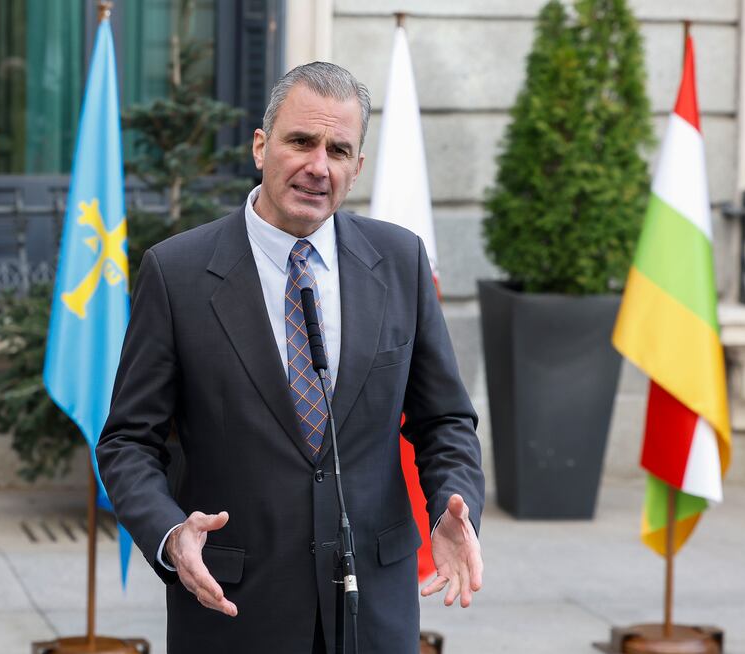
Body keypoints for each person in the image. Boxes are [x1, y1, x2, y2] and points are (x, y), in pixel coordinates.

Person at [96, 61, 484, 654]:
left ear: (356, 168)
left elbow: (445, 422)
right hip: (232, 608)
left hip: (372, 610)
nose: (316, 166)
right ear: (261, 146)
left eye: (338, 149)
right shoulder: (177, 274)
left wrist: (452, 506)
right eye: (300, 141)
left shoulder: (400, 262)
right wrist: (171, 535)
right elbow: (127, 442)